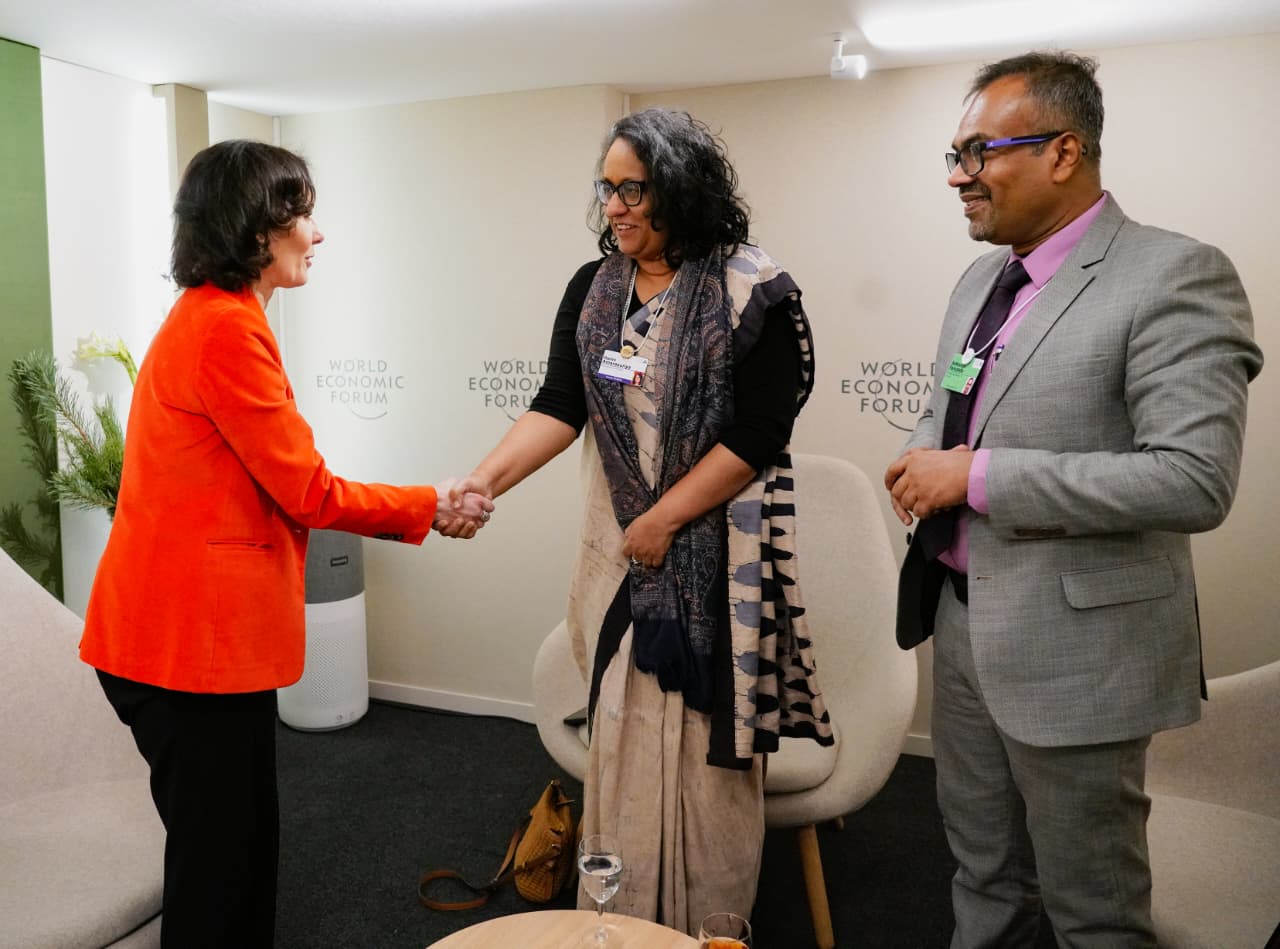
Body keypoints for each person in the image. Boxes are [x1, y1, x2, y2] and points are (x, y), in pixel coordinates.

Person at [884, 52, 1262, 947]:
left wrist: (975, 476)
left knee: (1093, 909)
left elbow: (1193, 477)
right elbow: (951, 407)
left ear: (1063, 151)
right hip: (962, 625)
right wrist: (919, 452)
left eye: (978, 153)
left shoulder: (1174, 273)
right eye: (954, 155)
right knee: (982, 875)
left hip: (1080, 652)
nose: (958, 176)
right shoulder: (981, 281)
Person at [79, 140, 492, 949]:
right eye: (302, 214)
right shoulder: (224, 329)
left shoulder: (218, 316)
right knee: (219, 876)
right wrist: (431, 503)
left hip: (185, 647)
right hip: (182, 653)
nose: (316, 232)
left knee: (237, 854)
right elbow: (309, 491)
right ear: (255, 225)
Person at [441, 108, 832, 934]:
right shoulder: (595, 290)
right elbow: (559, 405)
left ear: (681, 190)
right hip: (617, 552)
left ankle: (705, 929)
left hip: (717, 563)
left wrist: (665, 519)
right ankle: (617, 927)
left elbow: (761, 433)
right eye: (607, 187)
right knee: (619, 741)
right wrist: (481, 482)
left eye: (635, 189)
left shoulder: (750, 288)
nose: (614, 206)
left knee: (705, 774)